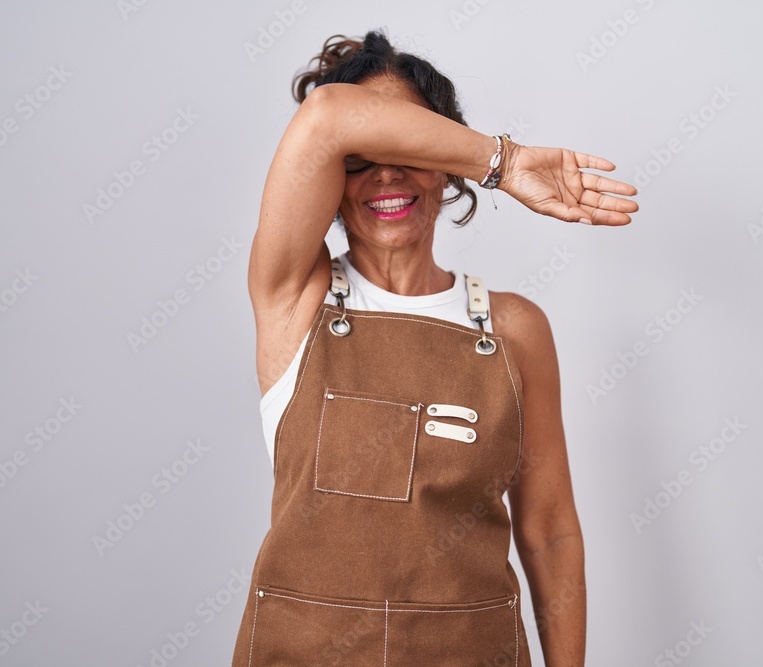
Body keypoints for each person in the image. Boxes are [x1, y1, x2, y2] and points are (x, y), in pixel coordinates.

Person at [232, 29, 638, 666]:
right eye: (363, 152)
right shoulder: (292, 297)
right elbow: (324, 119)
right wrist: (504, 161)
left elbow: (550, 530)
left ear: (444, 162)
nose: (387, 171)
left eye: (409, 144)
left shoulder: (515, 329)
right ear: (334, 175)